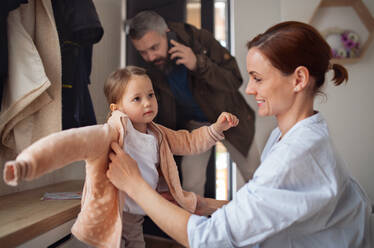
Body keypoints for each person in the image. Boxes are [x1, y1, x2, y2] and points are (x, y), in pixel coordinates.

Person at [106, 22, 372, 247]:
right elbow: (263, 204)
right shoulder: (291, 136)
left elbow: (210, 239)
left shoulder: (295, 156)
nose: (249, 90)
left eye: (258, 78)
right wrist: (204, 205)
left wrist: (136, 187)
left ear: (299, 79)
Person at [3, 66, 239, 248]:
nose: (148, 102)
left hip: (137, 217)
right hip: (108, 216)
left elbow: (190, 141)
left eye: (151, 94)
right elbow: (68, 143)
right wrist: (27, 164)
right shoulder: (110, 134)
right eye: (137, 99)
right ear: (117, 108)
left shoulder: (159, 134)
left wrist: (216, 129)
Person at [126, 10, 258, 196]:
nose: (150, 57)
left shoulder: (199, 39)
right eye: (143, 52)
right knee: (190, 187)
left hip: (231, 119)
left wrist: (198, 63)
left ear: (167, 32)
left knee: (255, 177)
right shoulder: (148, 65)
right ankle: (197, 226)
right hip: (194, 127)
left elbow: (234, 79)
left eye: (154, 48)